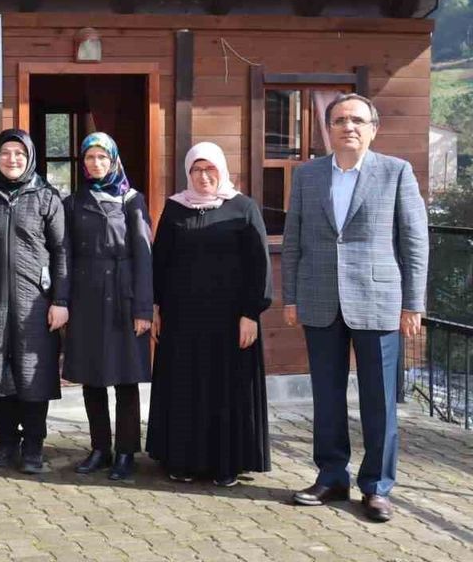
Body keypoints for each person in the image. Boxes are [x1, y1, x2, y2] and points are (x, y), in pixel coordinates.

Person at [282, 93, 428, 523]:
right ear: (328, 129)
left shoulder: (396, 172)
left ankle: (377, 487)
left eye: (358, 120)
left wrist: (413, 304)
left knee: (379, 400)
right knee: (327, 396)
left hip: (379, 300)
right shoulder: (307, 175)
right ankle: (331, 477)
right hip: (320, 299)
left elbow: (414, 241)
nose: (349, 126)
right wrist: (291, 296)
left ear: (373, 129)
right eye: (340, 120)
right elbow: (293, 240)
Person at [146, 142, 272, 487]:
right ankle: (183, 460)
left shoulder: (243, 208)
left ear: (222, 170)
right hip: (182, 320)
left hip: (230, 321)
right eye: (196, 170)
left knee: (226, 390)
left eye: (210, 169)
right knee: (185, 388)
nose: (203, 176)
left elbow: (259, 265)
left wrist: (251, 313)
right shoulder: (175, 209)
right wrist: (155, 307)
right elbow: (160, 261)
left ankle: (225, 463)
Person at [0, 129, 69, 474]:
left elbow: (61, 251)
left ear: (30, 157)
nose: (12, 159)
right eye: (6, 153)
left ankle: (34, 445)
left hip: (34, 303)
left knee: (33, 374)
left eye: (19, 153)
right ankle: (6, 440)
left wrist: (61, 300)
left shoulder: (47, 197)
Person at [62, 132, 153, 482]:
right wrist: (63, 300)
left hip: (123, 298)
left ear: (113, 160)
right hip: (86, 298)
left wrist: (143, 309)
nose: (96, 163)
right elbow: (65, 255)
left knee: (125, 379)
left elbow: (144, 256)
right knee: (92, 377)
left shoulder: (132, 200)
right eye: (90, 157)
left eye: (102, 157)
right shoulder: (74, 202)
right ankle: (100, 448)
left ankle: (126, 451)